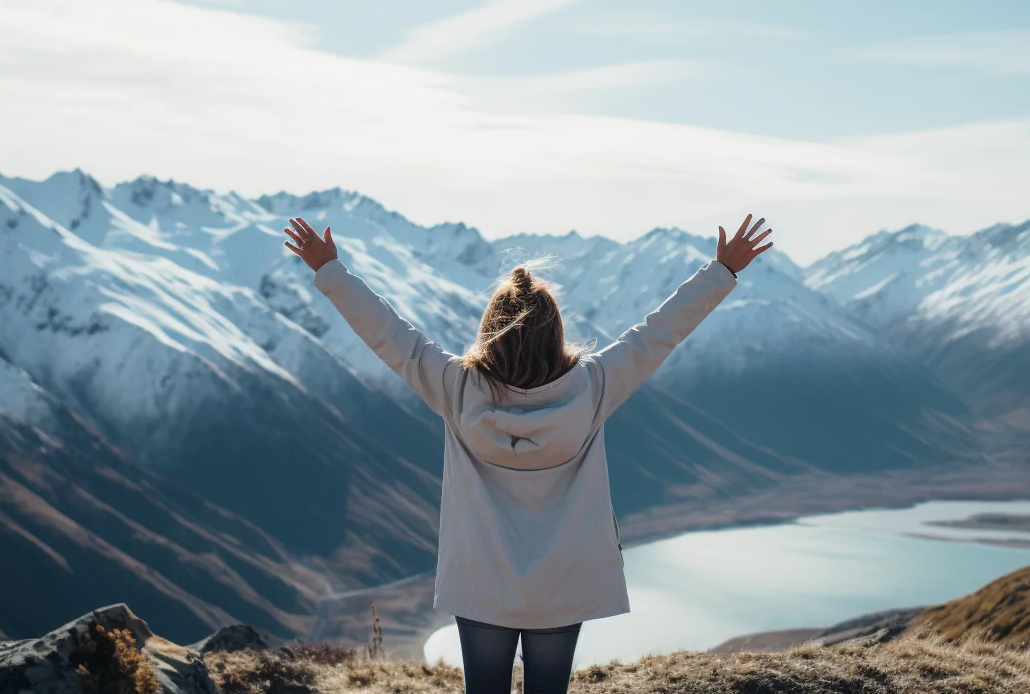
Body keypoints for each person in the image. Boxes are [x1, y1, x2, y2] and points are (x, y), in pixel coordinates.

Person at [283, 213, 773, 694]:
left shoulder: (456, 389)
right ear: (555, 331)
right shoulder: (594, 386)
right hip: (562, 588)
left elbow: (391, 336)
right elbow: (658, 333)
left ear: (490, 328)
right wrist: (722, 270)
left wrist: (329, 269)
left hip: (480, 588)